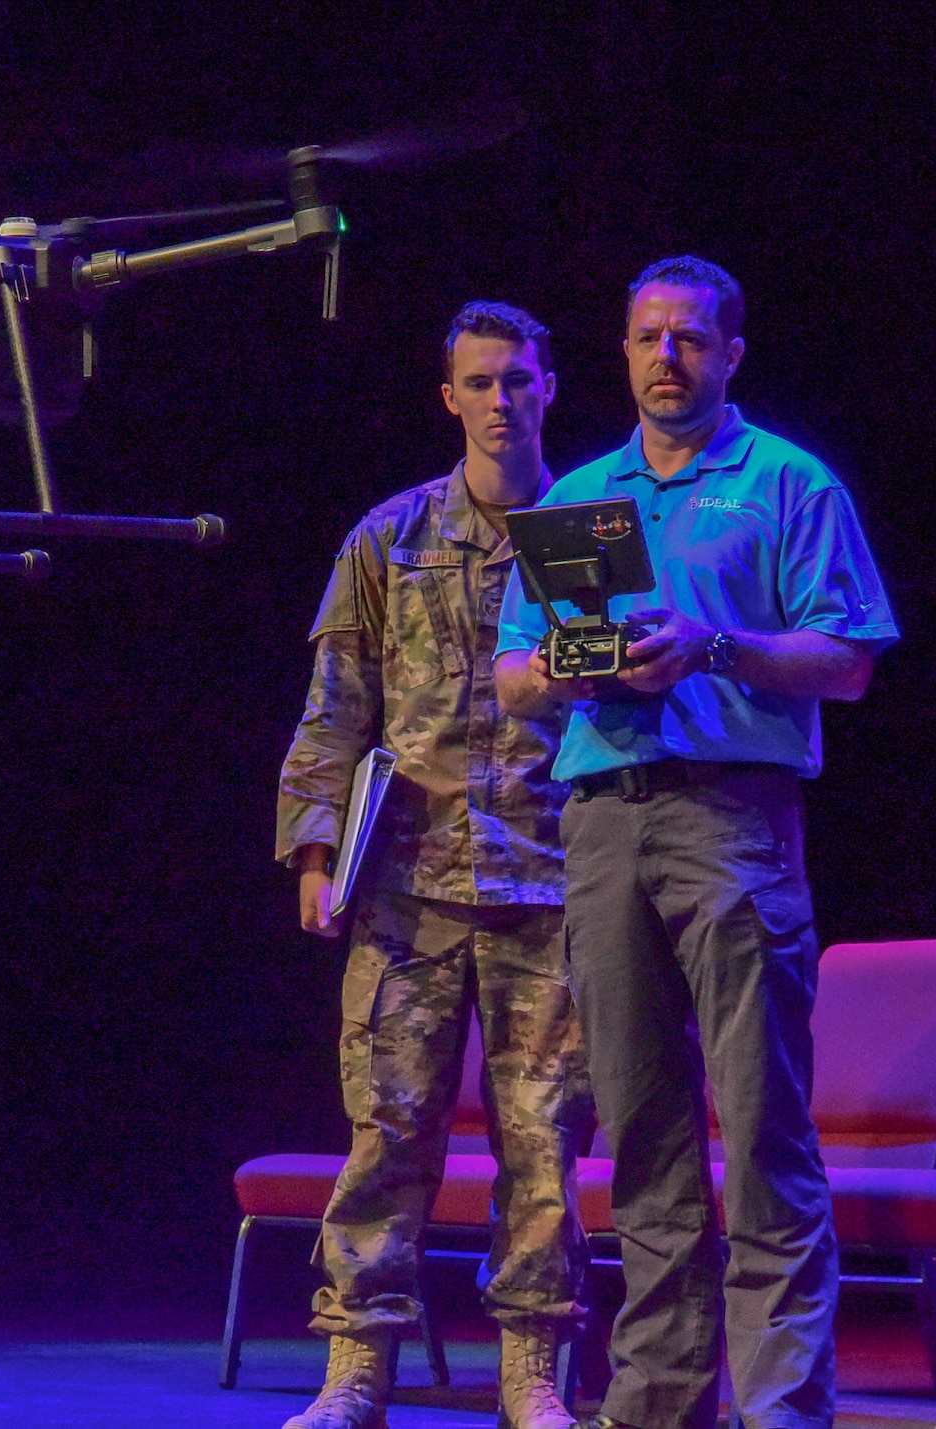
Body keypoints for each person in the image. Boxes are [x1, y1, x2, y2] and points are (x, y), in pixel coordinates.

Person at [494, 257, 898, 1429]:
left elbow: (849, 658)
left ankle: (776, 1410)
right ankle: (658, 1404)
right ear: (619, 352)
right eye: (644, 337)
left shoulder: (784, 482)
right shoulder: (576, 495)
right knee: (640, 1128)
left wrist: (712, 643)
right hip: (601, 817)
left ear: (729, 354)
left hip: (729, 812)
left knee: (759, 1122)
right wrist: (584, 665)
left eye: (689, 339)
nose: (664, 356)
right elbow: (516, 672)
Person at [276, 301, 596, 1429]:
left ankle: (529, 1370)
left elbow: (635, 703)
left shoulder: (590, 536)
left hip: (552, 882)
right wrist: (313, 851)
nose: (499, 399)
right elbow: (332, 710)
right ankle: (357, 1361)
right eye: (479, 382)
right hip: (408, 885)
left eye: (517, 379)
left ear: (548, 387)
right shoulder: (389, 537)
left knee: (542, 1140)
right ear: (447, 396)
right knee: (388, 1126)